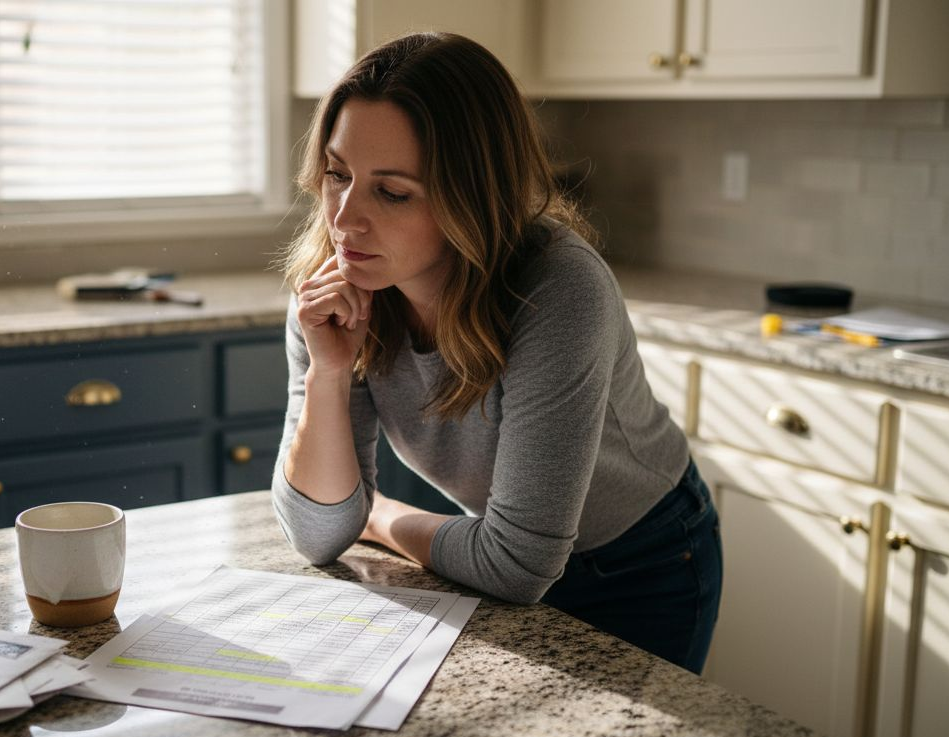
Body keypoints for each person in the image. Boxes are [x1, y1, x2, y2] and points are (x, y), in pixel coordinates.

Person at [271, 31, 722, 674]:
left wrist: (381, 517)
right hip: (485, 549)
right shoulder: (334, 291)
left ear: (473, 195)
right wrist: (329, 371)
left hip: (641, 565)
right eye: (338, 175)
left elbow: (516, 564)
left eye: (392, 192)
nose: (343, 220)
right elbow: (316, 536)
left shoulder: (558, 289)